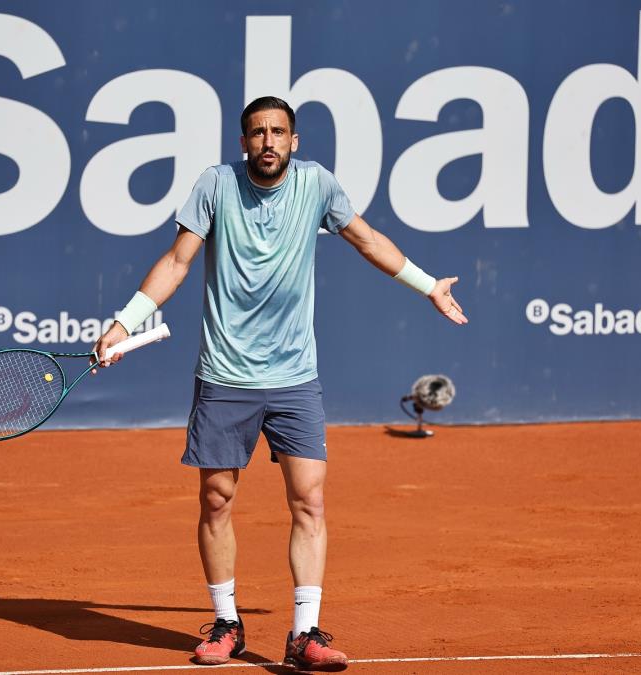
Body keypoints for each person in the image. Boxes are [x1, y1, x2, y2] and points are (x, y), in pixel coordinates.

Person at [92, 96, 467, 671]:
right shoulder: (216, 186)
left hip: (295, 376)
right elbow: (176, 261)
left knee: (309, 500)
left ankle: (304, 634)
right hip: (225, 374)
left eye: (278, 132)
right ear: (244, 142)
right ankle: (227, 624)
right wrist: (125, 322)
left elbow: (367, 240)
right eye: (258, 132)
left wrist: (428, 286)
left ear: (294, 140)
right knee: (216, 499)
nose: (268, 141)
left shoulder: (317, 185)